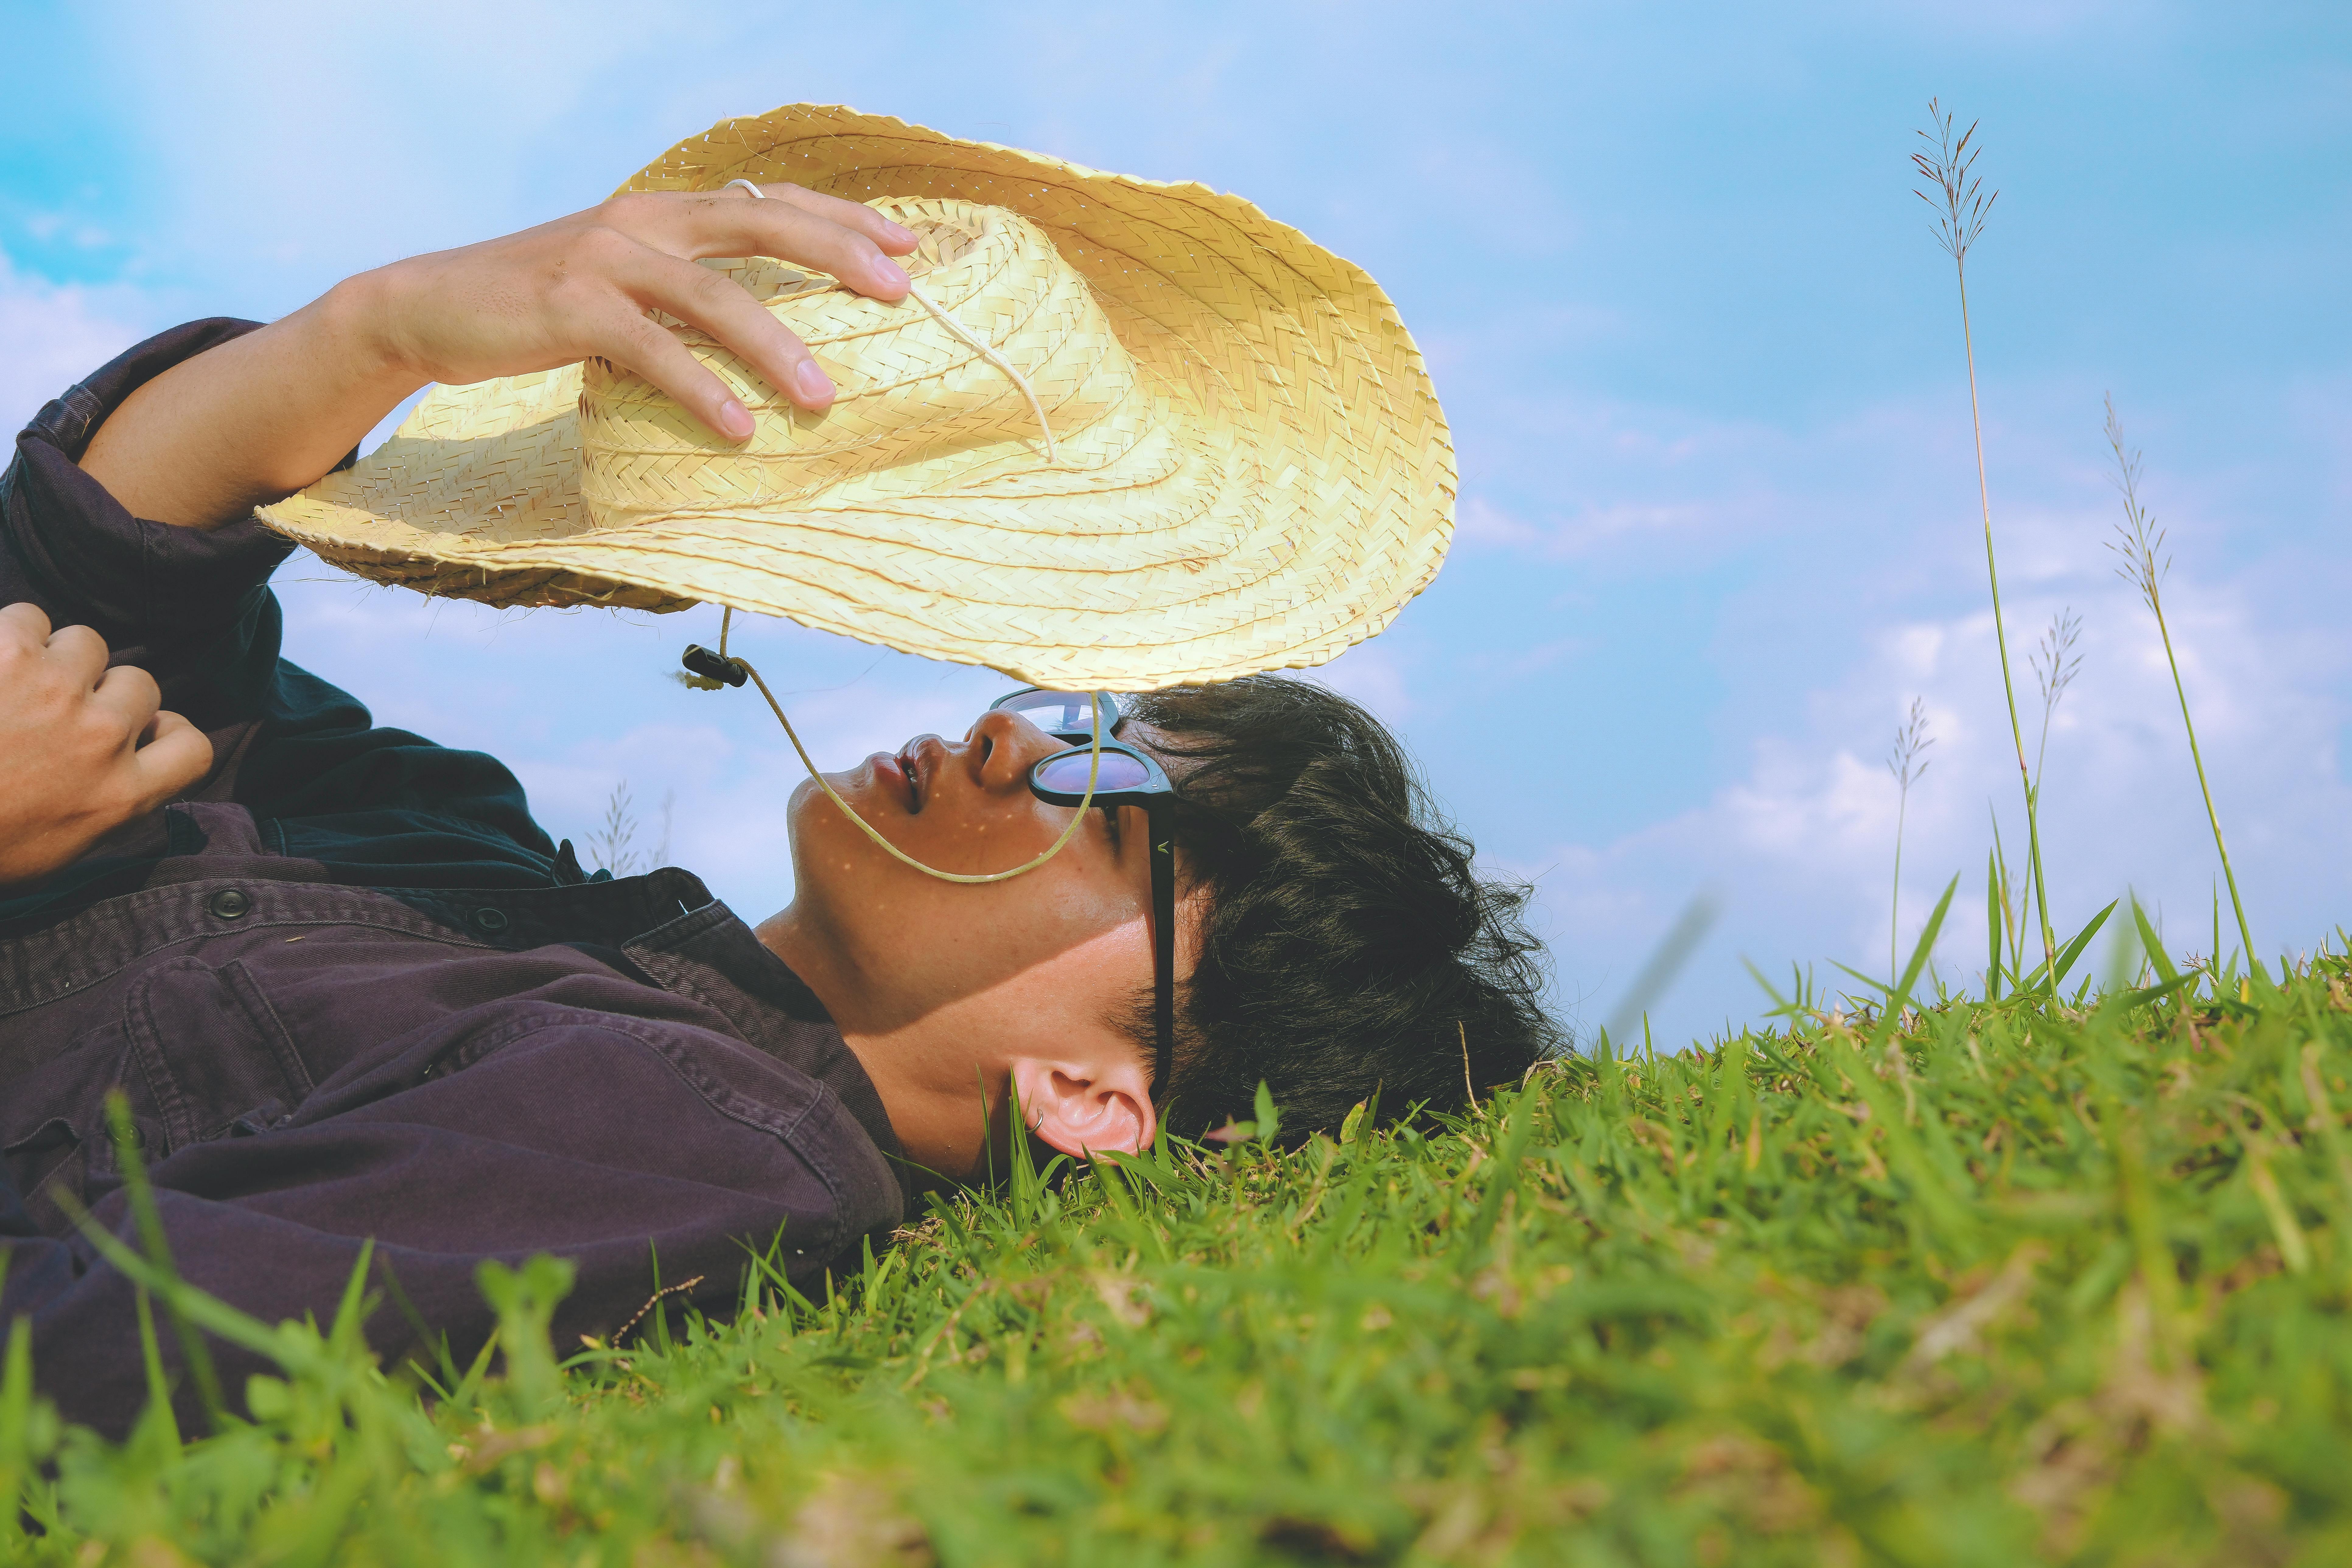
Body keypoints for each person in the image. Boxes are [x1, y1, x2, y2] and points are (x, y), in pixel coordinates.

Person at [0, 156, 1557, 1440]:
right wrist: (384, 326)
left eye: (1114, 796)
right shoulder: (462, 839)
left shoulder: (699, 1139)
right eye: (1079, 713)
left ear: (1091, 1099)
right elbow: (96, 590)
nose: (1014, 742)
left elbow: (70, 1381)